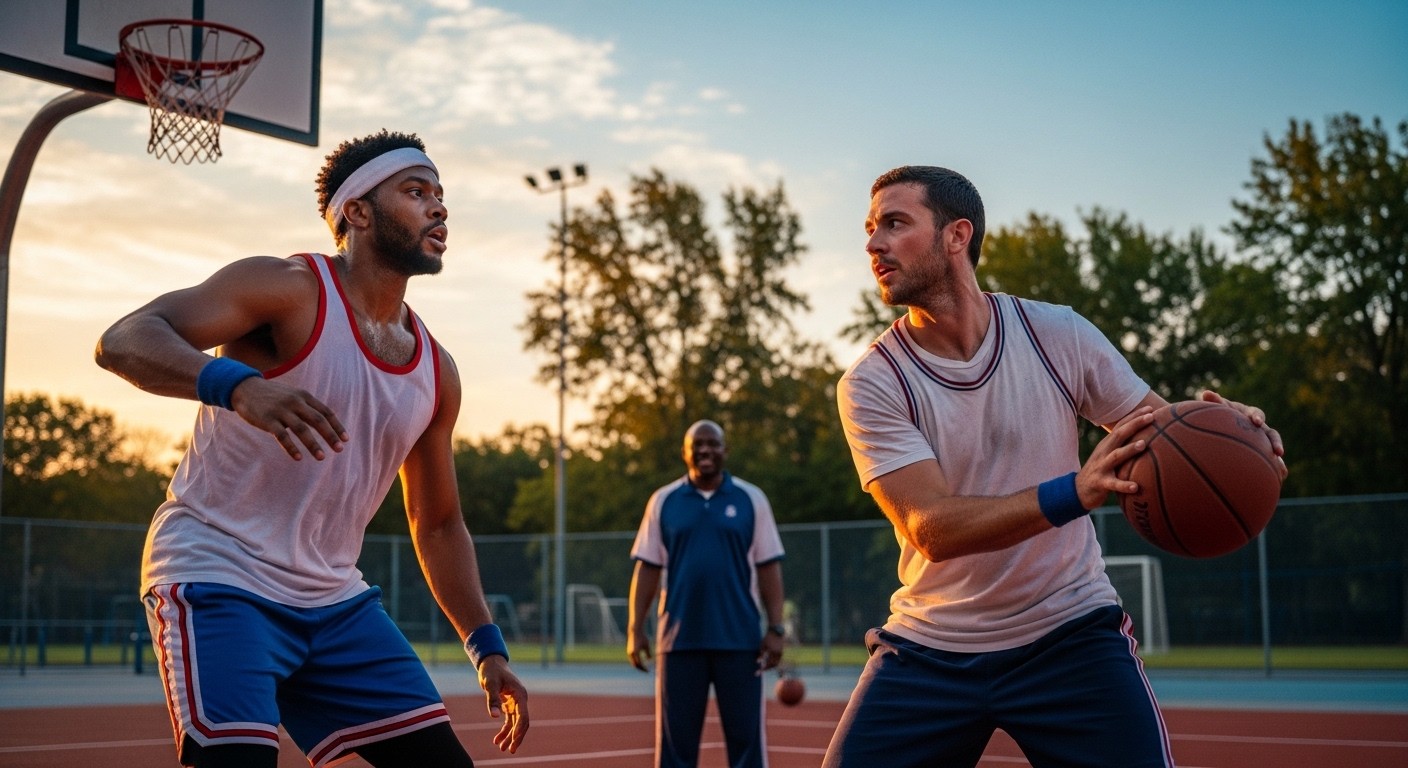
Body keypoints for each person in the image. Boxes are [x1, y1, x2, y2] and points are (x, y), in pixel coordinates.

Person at [824, 166, 1287, 768]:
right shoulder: (872, 383)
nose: (873, 243)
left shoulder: (1056, 334)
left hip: (1068, 631)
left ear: (956, 235)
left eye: (894, 223)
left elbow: (1160, 434)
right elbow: (931, 527)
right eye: (869, 228)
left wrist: (1234, 435)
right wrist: (1076, 491)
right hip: (932, 644)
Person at [94, 130, 528, 768]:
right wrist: (238, 388)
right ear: (355, 211)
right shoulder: (288, 289)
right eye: (416, 192)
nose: (439, 207)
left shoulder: (437, 371)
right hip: (220, 573)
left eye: (441, 195)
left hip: (333, 600)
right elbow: (124, 339)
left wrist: (487, 649)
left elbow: (436, 523)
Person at [627, 420, 788, 768]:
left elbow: (768, 568)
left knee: (747, 749)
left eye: (712, 444)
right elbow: (648, 568)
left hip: (740, 641)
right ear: (685, 451)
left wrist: (775, 629)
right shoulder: (663, 501)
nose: (704, 450)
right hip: (679, 641)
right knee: (675, 750)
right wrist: (635, 628)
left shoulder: (751, 499)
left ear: (724, 450)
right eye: (697, 444)